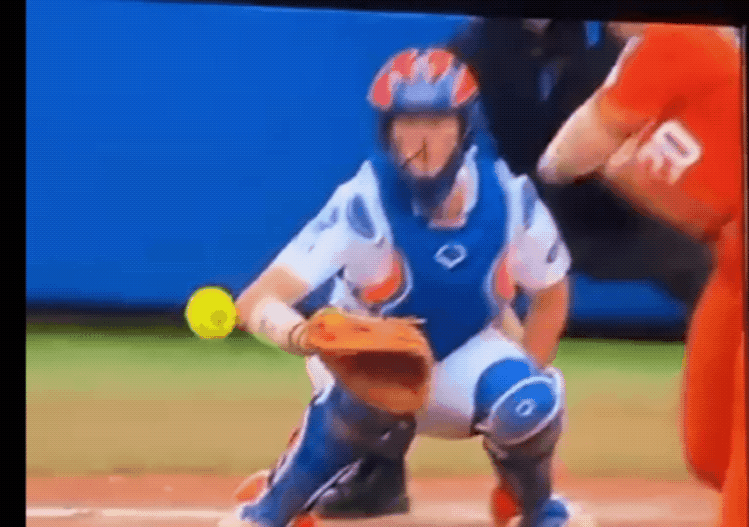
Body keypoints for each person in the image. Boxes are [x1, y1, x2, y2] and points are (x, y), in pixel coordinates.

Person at [219, 47, 593, 527]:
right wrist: (303, 335)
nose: (422, 139)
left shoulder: (508, 198)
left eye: (437, 121)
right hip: (366, 361)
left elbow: (551, 295)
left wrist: (526, 426)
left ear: (464, 127)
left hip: (462, 355)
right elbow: (257, 300)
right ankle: (270, 509)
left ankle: (534, 506)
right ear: (386, 131)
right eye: (407, 122)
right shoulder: (363, 204)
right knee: (364, 401)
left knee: (531, 404)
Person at [536, 23, 747, 526]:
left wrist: (569, 164)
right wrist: (626, 171)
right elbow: (708, 215)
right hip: (734, 270)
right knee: (711, 451)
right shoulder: (700, 52)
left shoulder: (680, 37)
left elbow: (566, 156)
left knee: (746, 464)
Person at [447, 19, 714, 331]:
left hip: (606, 216)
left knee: (700, 262)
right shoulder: (479, 45)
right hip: (538, 208)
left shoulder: (587, 47)